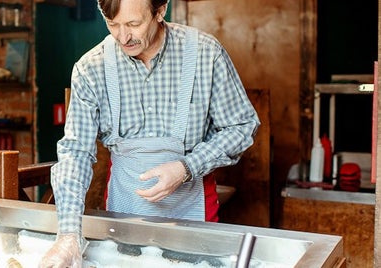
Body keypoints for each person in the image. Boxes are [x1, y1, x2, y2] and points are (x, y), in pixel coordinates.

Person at [39, 0, 260, 267]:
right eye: (112, 24)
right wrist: (68, 236)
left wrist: (186, 167)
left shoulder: (205, 53)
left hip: (194, 215)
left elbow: (242, 126)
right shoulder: (91, 69)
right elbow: (75, 153)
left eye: (133, 24)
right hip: (123, 216)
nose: (123, 37)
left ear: (160, 10)